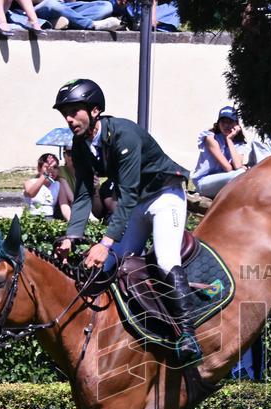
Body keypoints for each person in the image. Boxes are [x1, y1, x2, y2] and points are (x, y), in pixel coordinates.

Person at [52, 78, 201, 364]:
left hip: (164, 196)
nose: (69, 119)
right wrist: (71, 236)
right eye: (64, 113)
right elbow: (83, 194)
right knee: (111, 263)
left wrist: (105, 243)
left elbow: (128, 194)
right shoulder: (80, 144)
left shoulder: (125, 134)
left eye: (74, 111)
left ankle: (187, 334)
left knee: (165, 259)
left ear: (95, 110)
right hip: (137, 203)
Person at [191, 106, 248, 199]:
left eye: (230, 122)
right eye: (223, 122)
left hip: (224, 180)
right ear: (218, 123)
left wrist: (229, 140)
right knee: (240, 174)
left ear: (236, 125)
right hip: (203, 182)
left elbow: (237, 165)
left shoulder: (239, 143)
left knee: (242, 174)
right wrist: (229, 139)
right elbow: (228, 168)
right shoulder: (210, 138)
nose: (226, 125)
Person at [23, 152, 73, 220]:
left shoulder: (58, 185)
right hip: (31, 218)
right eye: (47, 167)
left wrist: (71, 221)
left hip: (49, 219)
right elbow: (31, 193)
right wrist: (45, 175)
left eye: (55, 167)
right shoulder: (30, 182)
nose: (51, 170)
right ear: (39, 168)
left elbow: (64, 206)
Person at [33, 0, 120, 31]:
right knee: (51, 3)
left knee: (106, 6)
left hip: (64, 6)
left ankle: (68, 21)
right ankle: (92, 25)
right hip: (37, 9)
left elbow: (70, 3)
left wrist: (70, 12)